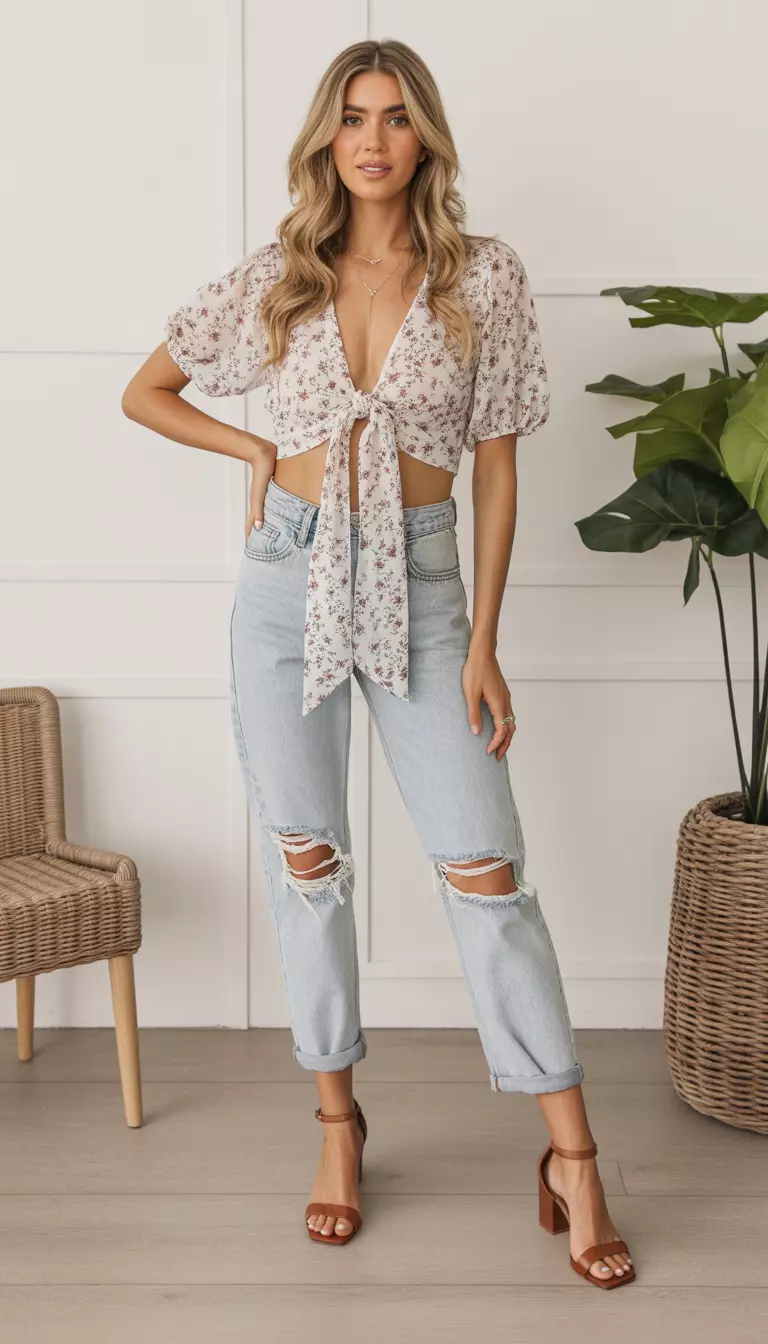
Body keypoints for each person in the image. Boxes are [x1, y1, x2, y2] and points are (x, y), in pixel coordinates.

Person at [122, 38, 634, 1288]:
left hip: (423, 584)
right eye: (352, 117)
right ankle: (338, 1128)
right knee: (310, 869)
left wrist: (489, 645)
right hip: (285, 583)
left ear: (425, 140)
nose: (373, 139)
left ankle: (572, 1157)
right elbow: (149, 389)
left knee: (487, 870)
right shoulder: (283, 276)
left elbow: (500, 463)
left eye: (396, 118)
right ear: (325, 139)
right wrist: (252, 459)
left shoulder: (483, 277)